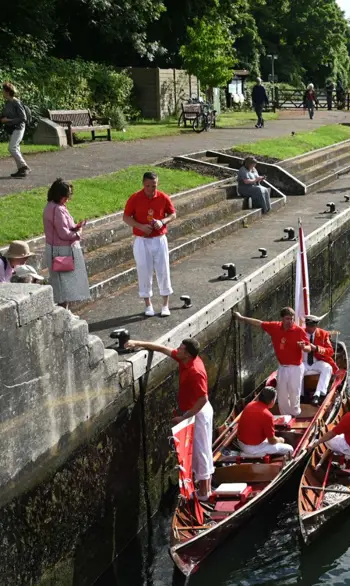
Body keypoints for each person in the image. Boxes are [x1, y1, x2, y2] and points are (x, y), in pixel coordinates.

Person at [126, 337, 213, 500]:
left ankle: (204, 492)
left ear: (187, 354)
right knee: (199, 450)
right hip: (193, 411)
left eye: (180, 348)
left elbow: (203, 399)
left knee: (200, 451)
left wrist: (184, 418)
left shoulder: (196, 371)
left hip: (198, 413)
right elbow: (162, 348)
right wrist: (138, 343)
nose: (177, 349)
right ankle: (204, 486)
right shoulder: (184, 358)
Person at [234, 307, 309, 416]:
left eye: (292, 319)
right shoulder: (274, 327)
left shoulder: (299, 331)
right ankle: (285, 416)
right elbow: (258, 323)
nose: (290, 322)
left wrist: (304, 348)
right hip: (283, 367)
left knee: (294, 393)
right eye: (287, 319)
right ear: (282, 319)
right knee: (282, 394)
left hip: (296, 368)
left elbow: (309, 348)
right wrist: (241, 318)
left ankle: (296, 414)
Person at [123, 172, 176, 317]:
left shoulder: (163, 197)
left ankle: (165, 304)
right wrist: (140, 226)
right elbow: (126, 217)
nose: (151, 190)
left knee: (163, 269)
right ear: (143, 184)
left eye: (154, 186)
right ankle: (148, 304)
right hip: (142, 240)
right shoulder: (135, 198)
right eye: (148, 186)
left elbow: (173, 214)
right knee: (144, 271)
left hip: (159, 238)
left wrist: (162, 221)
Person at [43, 178, 90, 308]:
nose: (68, 199)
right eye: (66, 196)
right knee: (63, 285)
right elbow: (63, 234)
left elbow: (64, 227)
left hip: (60, 250)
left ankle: (66, 312)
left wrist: (75, 226)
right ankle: (64, 313)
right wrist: (78, 232)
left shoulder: (56, 206)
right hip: (59, 252)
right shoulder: (56, 209)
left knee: (65, 284)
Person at [237, 386, 294, 457]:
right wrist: (280, 440)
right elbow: (272, 441)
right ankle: (252, 455)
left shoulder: (250, 404)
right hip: (252, 448)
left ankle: (253, 453)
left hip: (240, 443)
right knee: (290, 449)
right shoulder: (268, 415)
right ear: (272, 401)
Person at [302, 314, 338, 405]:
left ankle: (317, 395)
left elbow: (330, 351)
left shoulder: (323, 334)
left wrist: (317, 349)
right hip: (303, 362)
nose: (309, 328)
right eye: (308, 325)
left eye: (311, 326)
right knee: (295, 369)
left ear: (316, 326)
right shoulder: (300, 333)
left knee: (327, 368)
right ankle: (300, 395)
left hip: (317, 361)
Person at [2, 82, 29, 178]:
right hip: (12, 128)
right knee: (16, 148)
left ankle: (24, 166)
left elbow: (23, 118)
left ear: (8, 92)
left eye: (3, 91)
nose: (2, 93)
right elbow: (7, 115)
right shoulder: (8, 103)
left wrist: (8, 120)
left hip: (19, 128)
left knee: (12, 148)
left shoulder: (16, 102)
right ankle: (21, 170)